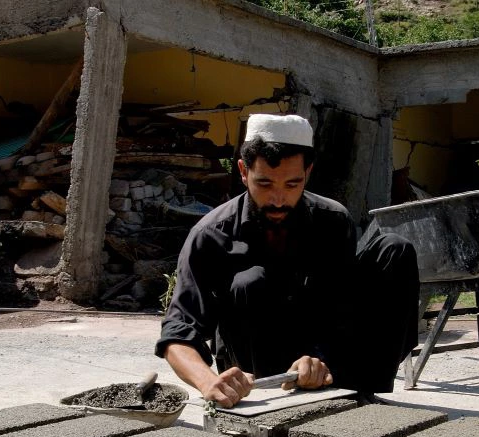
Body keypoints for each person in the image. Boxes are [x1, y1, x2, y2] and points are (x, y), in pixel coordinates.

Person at [156, 113, 419, 408]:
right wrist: (208, 382)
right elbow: (178, 334)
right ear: (243, 171)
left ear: (308, 171)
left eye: (292, 185)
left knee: (394, 250)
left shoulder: (333, 221)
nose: (278, 199)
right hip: (257, 373)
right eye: (265, 184)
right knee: (251, 281)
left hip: (322, 356)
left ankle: (358, 394)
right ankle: (277, 407)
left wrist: (320, 358)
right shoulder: (210, 235)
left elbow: (340, 307)